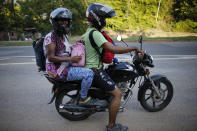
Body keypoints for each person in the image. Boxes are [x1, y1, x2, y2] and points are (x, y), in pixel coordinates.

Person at [84, 3, 145, 131]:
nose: (105, 21)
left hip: (92, 68)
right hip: (94, 71)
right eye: (103, 18)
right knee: (117, 94)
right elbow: (113, 49)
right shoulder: (95, 33)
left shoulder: (89, 32)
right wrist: (134, 47)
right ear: (97, 18)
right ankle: (111, 127)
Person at [44, 8, 105, 106]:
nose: (64, 23)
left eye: (66, 21)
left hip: (65, 66)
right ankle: (83, 98)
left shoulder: (65, 36)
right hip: (57, 70)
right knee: (88, 73)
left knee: (91, 68)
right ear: (55, 22)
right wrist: (70, 59)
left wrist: (77, 45)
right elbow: (51, 57)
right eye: (61, 21)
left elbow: (65, 50)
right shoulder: (50, 37)